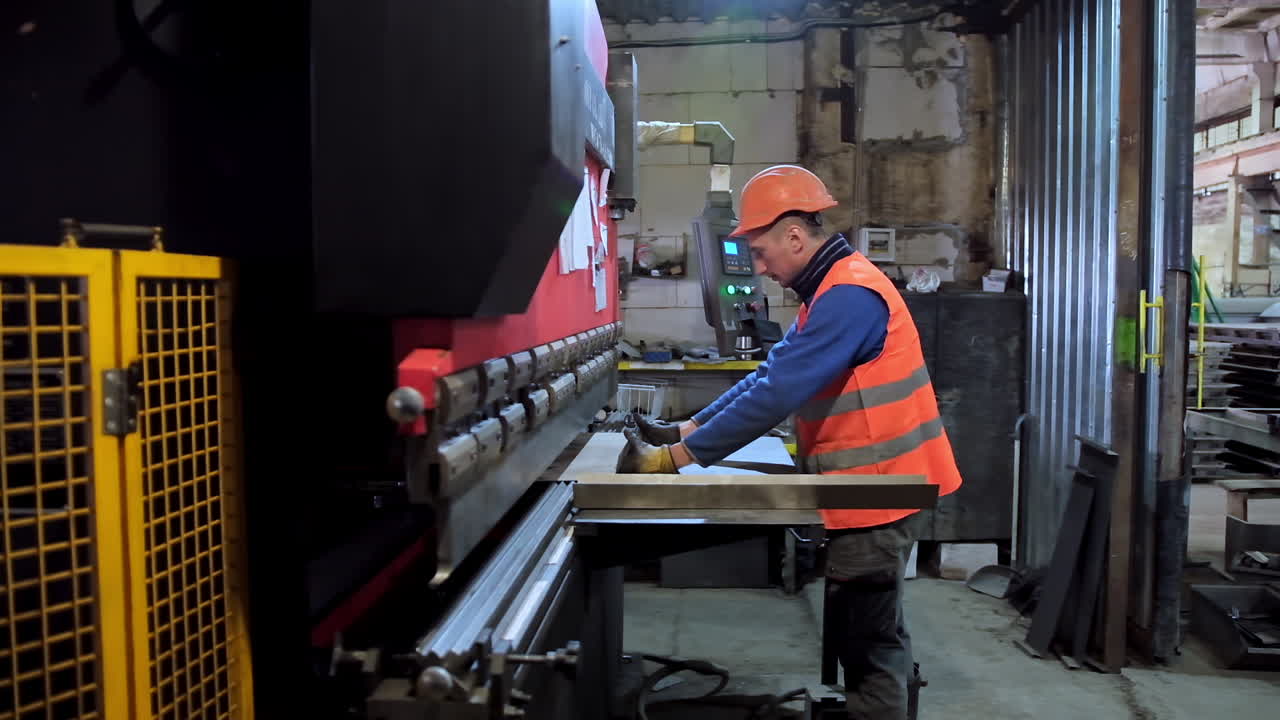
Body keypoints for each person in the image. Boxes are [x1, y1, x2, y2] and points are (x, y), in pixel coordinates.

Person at [618, 165, 963, 720]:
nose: (759, 268)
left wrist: (673, 460)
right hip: (867, 489)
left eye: (759, 252)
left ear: (795, 237)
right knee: (867, 626)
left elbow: (778, 392)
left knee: (867, 641)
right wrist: (684, 431)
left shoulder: (849, 296)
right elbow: (766, 374)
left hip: (880, 493)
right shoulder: (829, 291)